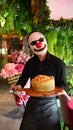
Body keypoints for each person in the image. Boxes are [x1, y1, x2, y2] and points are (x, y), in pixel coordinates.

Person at [11, 31, 66, 130]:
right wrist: (18, 87)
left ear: (46, 41)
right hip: (32, 104)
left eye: (40, 40)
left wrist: (59, 92)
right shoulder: (30, 63)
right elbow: (23, 78)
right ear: (31, 47)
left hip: (50, 106)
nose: (38, 44)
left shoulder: (58, 63)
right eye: (34, 42)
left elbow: (62, 84)